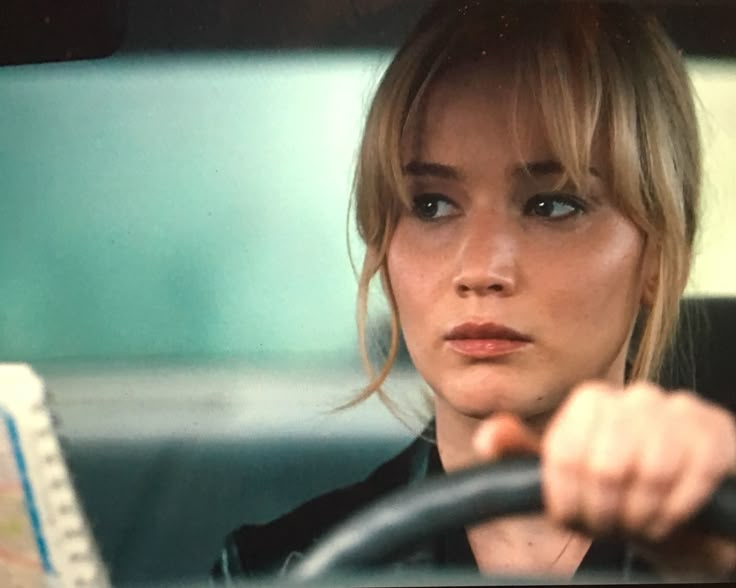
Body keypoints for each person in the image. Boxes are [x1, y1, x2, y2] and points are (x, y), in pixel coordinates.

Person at [212, 0, 736, 581]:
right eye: (431, 205)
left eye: (553, 205)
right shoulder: (274, 570)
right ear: (384, 250)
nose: (481, 268)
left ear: (659, 257)